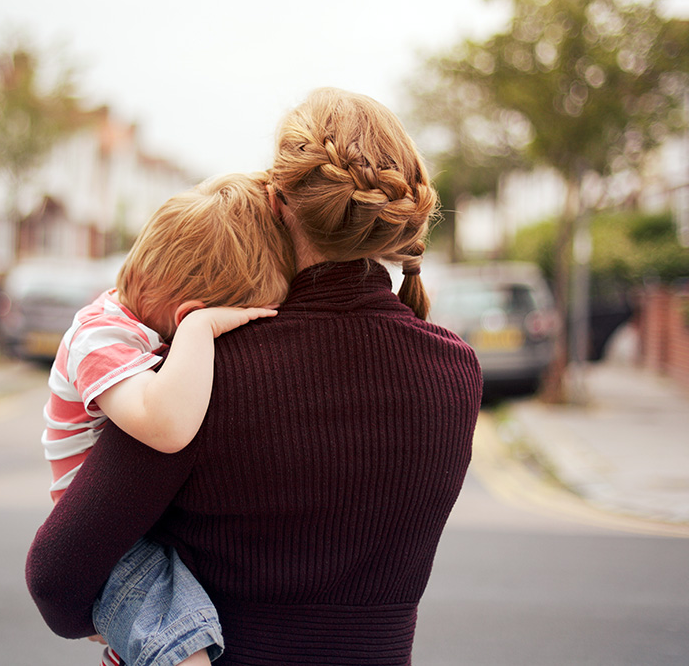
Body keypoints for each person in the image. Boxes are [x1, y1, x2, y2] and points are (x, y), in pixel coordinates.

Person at [27, 88, 482, 665]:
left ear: (273, 201)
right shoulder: (456, 371)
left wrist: (109, 616)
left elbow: (57, 576)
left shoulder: (210, 371)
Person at [42, 172, 296, 666]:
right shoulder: (97, 335)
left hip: (143, 531)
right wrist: (204, 331)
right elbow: (166, 427)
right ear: (188, 314)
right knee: (183, 648)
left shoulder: (139, 327)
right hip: (112, 548)